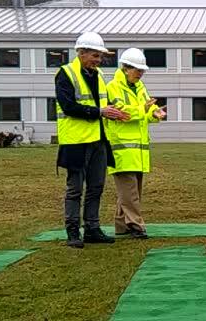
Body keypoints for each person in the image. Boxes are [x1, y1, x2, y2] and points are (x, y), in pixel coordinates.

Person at [55, 31, 129, 248]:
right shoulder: (65, 74)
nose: (99, 60)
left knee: (96, 186)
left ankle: (92, 228)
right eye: (95, 56)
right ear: (81, 53)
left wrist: (114, 111)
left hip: (98, 140)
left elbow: (103, 105)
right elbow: (69, 107)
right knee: (75, 189)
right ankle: (72, 231)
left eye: (100, 56)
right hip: (75, 142)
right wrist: (101, 112)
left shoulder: (98, 75)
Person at [104, 48, 167, 240]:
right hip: (121, 148)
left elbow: (147, 109)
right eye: (137, 70)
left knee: (131, 190)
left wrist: (155, 114)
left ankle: (121, 224)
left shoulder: (140, 87)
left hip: (138, 150)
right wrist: (144, 109)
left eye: (142, 70)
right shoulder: (113, 87)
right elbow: (121, 112)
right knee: (130, 191)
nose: (140, 74)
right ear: (125, 68)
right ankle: (136, 225)